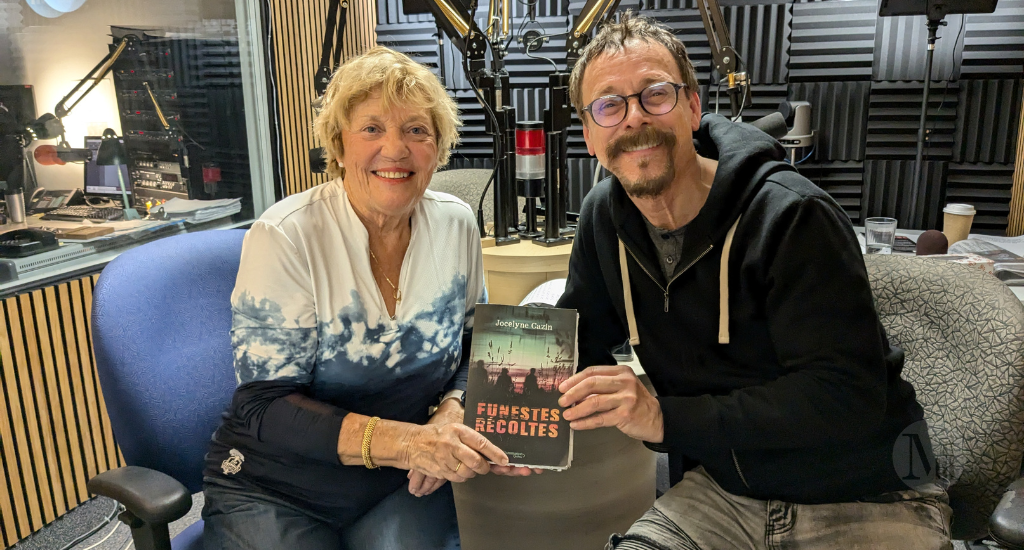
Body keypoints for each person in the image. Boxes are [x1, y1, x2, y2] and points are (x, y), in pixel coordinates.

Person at [555, 12, 952, 550]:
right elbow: (573, 341)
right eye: (609, 104)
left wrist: (662, 416)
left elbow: (844, 396)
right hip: (723, 494)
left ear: (693, 107)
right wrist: (497, 413)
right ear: (589, 132)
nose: (633, 119)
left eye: (655, 94)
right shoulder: (603, 218)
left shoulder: (793, 215)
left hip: (865, 492)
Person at [201, 46, 531, 550]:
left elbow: (474, 344)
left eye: (416, 130)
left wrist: (452, 410)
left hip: (399, 481)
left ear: (438, 147)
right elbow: (264, 407)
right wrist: (411, 443)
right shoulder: (286, 235)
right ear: (339, 144)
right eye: (372, 128)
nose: (395, 149)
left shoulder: (455, 223)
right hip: (277, 484)